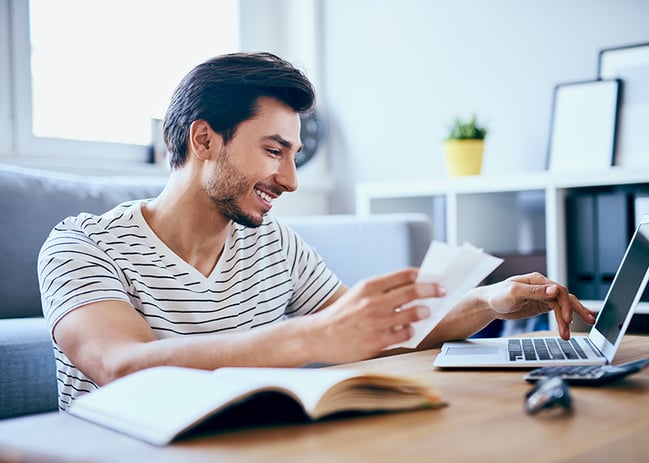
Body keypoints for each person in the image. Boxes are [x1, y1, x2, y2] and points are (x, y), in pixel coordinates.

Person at [38, 52, 596, 412]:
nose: (291, 179)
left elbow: (378, 330)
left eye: (295, 155)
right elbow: (118, 366)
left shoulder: (273, 243)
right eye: (273, 151)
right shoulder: (82, 244)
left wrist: (489, 302)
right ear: (203, 140)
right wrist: (309, 337)